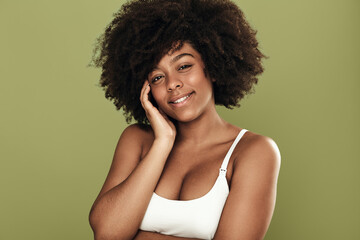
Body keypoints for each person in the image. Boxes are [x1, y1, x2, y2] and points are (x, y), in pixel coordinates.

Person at [88, 0, 281, 239]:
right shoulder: (138, 140)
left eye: (184, 65)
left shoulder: (253, 152)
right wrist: (163, 143)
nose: (172, 84)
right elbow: (107, 234)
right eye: (157, 77)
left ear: (212, 65)